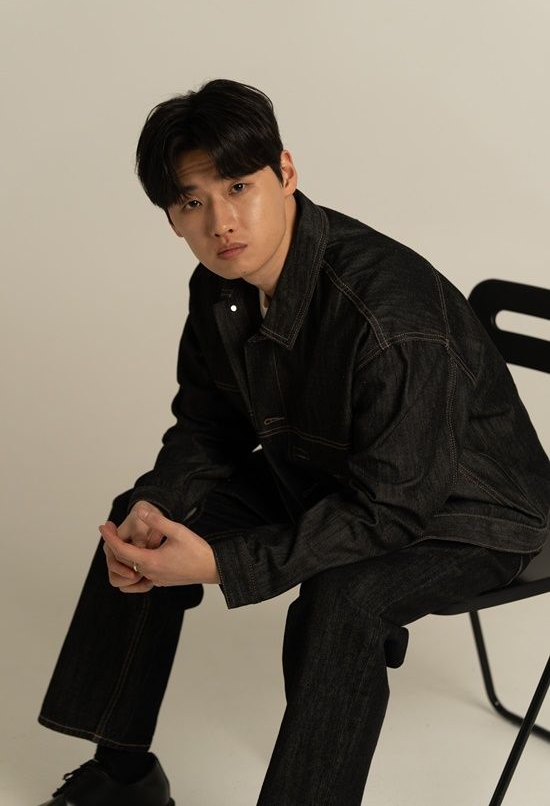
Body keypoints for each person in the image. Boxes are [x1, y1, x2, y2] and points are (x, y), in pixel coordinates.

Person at [37, 78, 550, 806]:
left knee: (342, 600)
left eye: (238, 187)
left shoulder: (389, 318)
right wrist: (160, 504)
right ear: (172, 218)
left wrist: (223, 563)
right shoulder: (221, 286)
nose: (221, 222)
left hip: (470, 513)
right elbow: (210, 425)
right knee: (141, 520)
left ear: (285, 172)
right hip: (328, 473)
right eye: (192, 202)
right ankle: (124, 777)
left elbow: (394, 510)